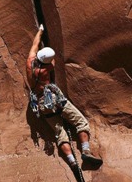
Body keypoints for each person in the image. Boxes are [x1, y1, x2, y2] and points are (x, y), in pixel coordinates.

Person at [26, 24, 103, 169]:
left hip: (42, 103)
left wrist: (40, 31)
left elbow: (35, 44)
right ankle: (85, 151)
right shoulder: (47, 68)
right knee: (80, 122)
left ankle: (72, 162)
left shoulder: (29, 62)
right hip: (54, 99)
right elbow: (52, 61)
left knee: (59, 132)